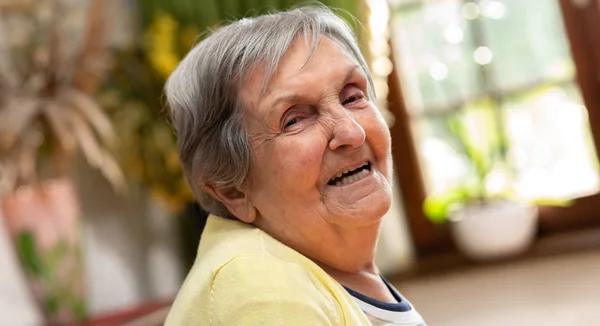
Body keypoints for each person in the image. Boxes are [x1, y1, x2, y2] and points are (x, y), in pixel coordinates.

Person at [163, 6, 426, 326]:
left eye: (352, 97)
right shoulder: (260, 288)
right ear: (232, 190)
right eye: (295, 119)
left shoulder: (312, 270)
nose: (351, 133)